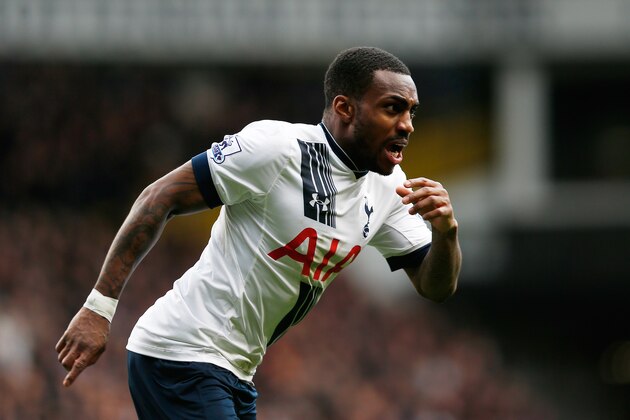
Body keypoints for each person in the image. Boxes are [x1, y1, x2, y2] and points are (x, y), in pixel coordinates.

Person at [56, 46, 462, 419]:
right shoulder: (276, 148)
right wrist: (98, 308)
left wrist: (446, 233)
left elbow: (435, 286)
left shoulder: (390, 189)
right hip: (181, 352)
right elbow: (158, 197)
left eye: (411, 111)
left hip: (236, 372)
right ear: (345, 107)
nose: (407, 125)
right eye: (393, 108)